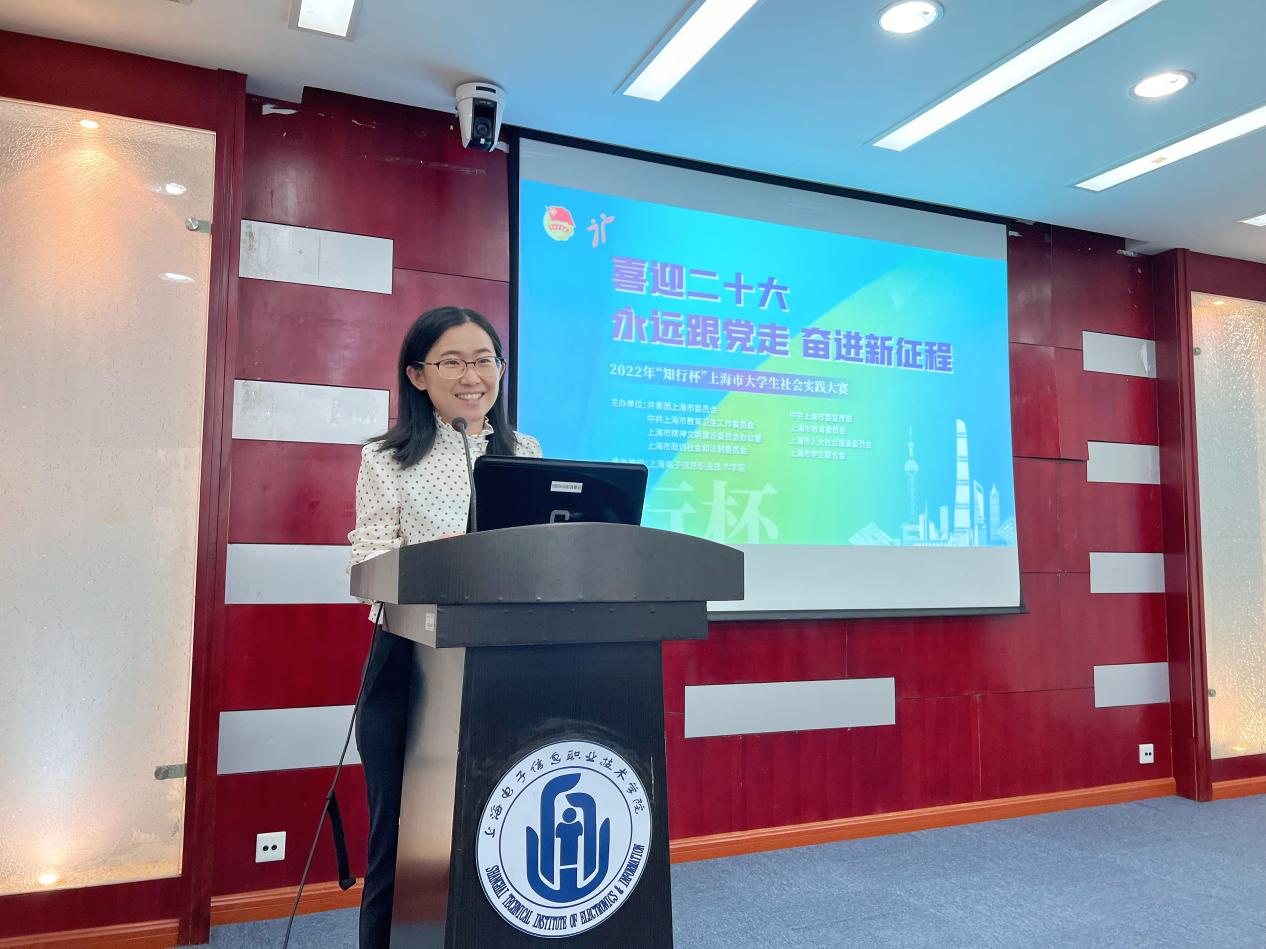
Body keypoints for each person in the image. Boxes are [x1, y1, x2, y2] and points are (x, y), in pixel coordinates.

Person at [346, 306, 541, 948]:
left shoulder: (525, 454)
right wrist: (442, 558)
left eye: (484, 360)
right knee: (399, 834)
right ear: (417, 374)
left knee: (498, 825)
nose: (471, 376)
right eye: (451, 362)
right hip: (411, 665)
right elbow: (367, 560)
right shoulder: (386, 457)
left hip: (506, 662)